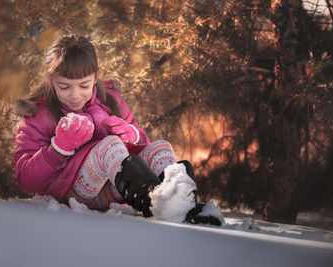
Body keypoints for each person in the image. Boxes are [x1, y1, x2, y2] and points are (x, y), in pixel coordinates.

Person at [13, 33, 221, 225]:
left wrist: (133, 135)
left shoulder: (111, 100)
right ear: (51, 80)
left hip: (112, 192)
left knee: (160, 147)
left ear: (96, 76)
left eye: (84, 85)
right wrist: (59, 148)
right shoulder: (38, 112)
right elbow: (26, 179)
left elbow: (142, 149)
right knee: (109, 145)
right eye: (65, 87)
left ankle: (185, 207)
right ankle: (157, 205)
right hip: (70, 197)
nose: (75, 95)